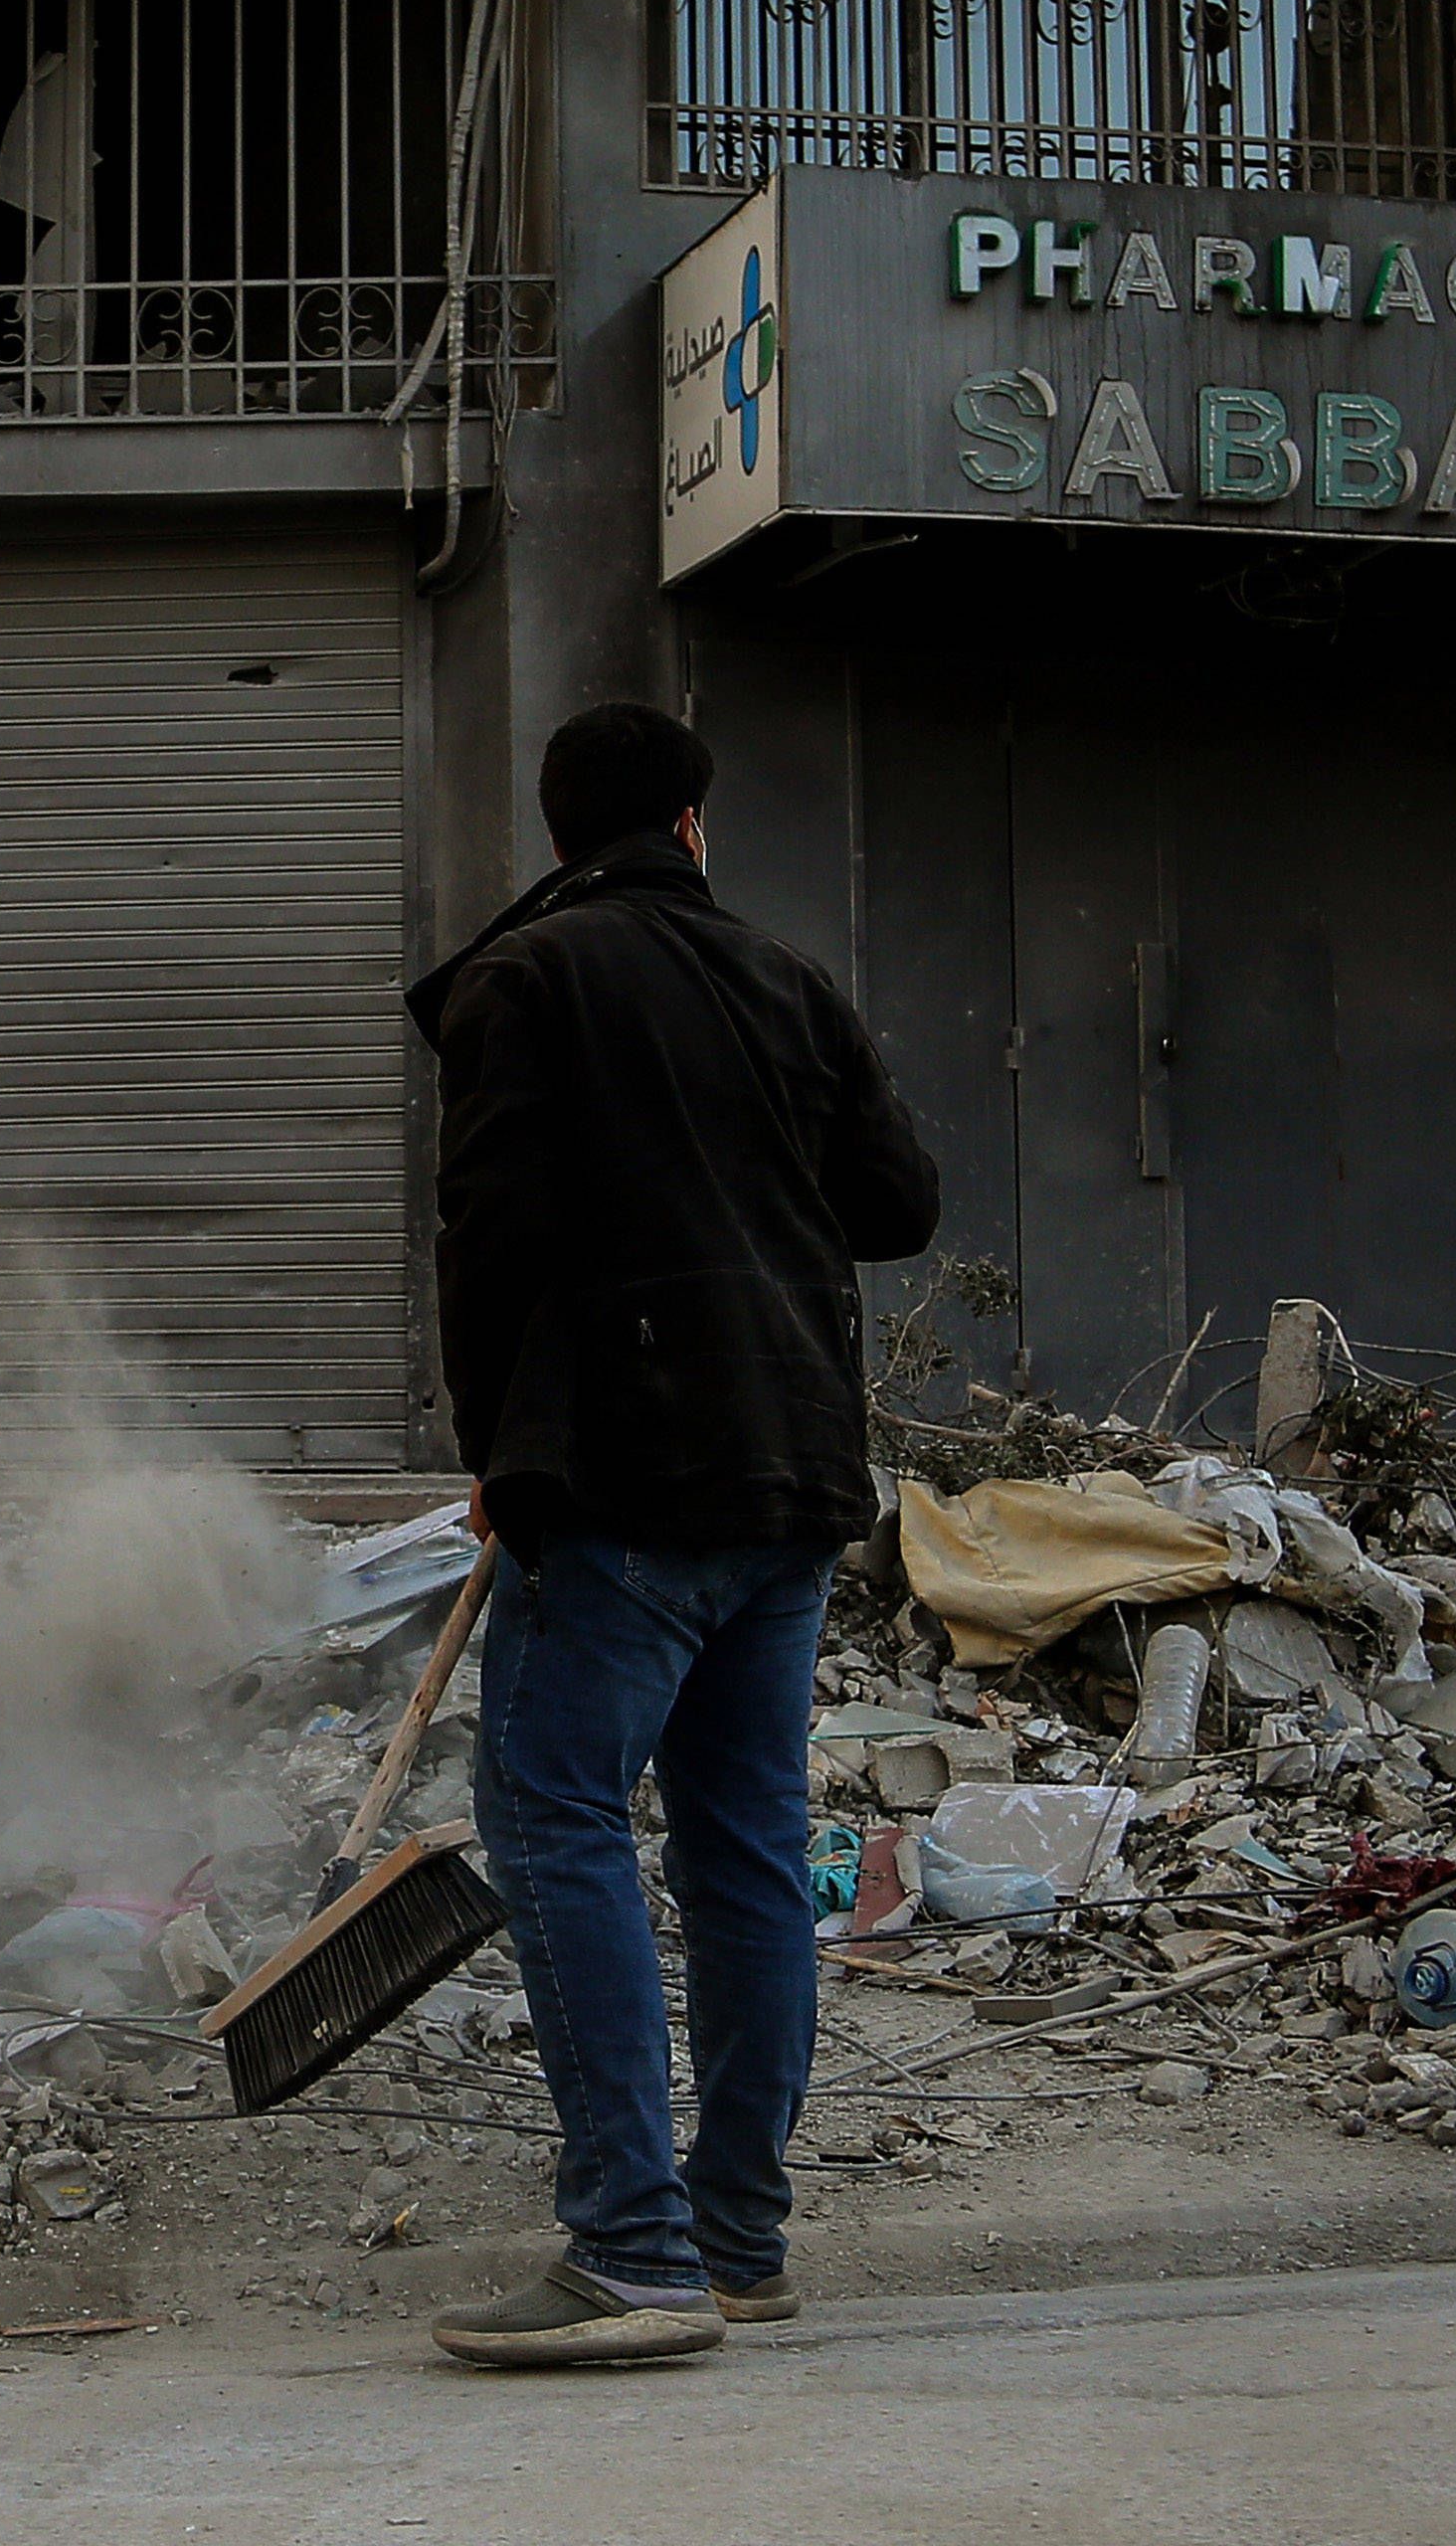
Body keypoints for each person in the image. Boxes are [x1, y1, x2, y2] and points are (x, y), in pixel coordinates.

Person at [408, 702, 940, 2371]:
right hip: (789, 1482)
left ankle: (630, 2251)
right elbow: (900, 1208)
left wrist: (499, 1454)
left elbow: (488, 1243)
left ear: (563, 833)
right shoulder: (789, 987)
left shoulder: (528, 984)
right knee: (744, 1856)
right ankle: (736, 2244)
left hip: (627, 1489)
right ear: (695, 825)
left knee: (558, 1820)